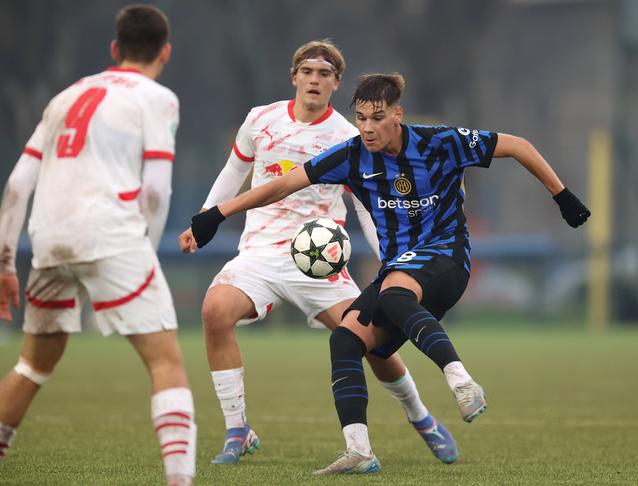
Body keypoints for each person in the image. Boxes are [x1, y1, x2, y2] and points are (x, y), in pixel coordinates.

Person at [190, 72, 591, 475]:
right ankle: (360, 450)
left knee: (395, 294)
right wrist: (218, 214)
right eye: (361, 117)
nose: (366, 127)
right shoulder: (350, 155)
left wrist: (563, 196)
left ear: (397, 114)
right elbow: (284, 185)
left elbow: (518, 146)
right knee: (347, 339)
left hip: (446, 258)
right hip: (398, 267)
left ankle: (461, 381)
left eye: (376, 117)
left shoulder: (441, 142)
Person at [178, 41, 459, 467]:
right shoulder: (260, 119)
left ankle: (421, 418)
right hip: (260, 251)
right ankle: (238, 430)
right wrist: (204, 217)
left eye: (324, 74)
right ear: (294, 76)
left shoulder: (348, 136)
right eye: (307, 71)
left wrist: (390, 257)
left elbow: (366, 203)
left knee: (370, 344)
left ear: (336, 83)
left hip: (321, 258)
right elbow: (235, 170)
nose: (315, 79)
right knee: (215, 311)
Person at [0, 6, 196, 485]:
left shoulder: (66, 96)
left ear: (114, 49)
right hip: (110, 235)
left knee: (32, 364)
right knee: (166, 361)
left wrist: (6, 260)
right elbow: (155, 191)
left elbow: (16, 186)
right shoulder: (159, 98)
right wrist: (145, 251)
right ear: (165, 52)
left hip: (48, 240)